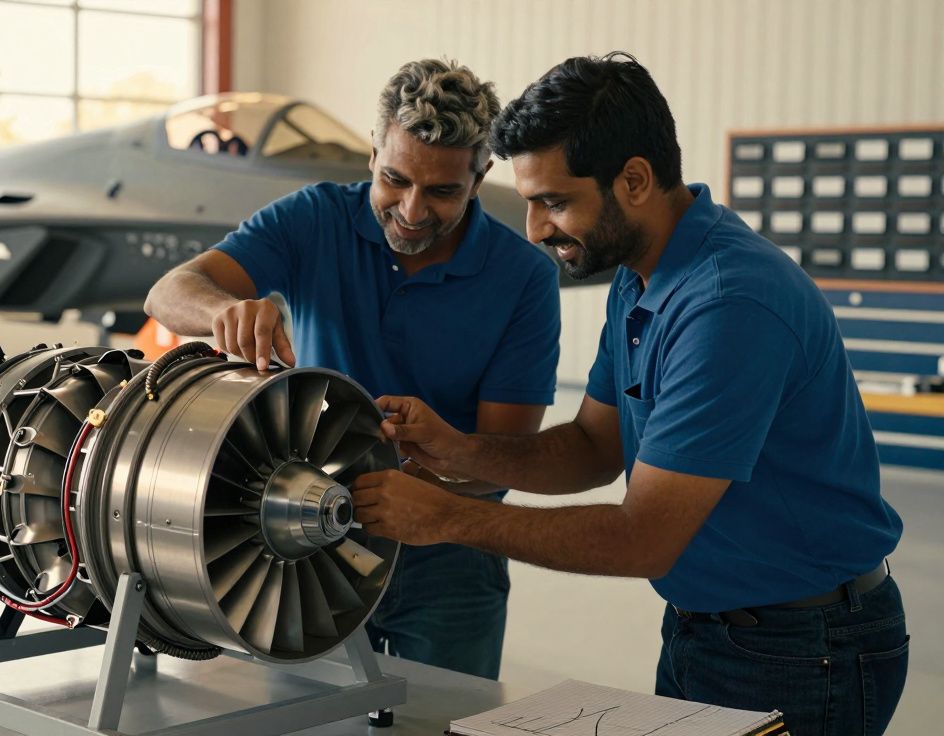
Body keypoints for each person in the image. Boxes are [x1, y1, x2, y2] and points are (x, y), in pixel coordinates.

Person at [351, 52, 908, 735]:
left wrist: (445, 518)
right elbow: (592, 447)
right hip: (706, 628)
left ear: (635, 180)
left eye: (554, 202)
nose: (533, 231)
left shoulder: (728, 304)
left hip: (803, 648)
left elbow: (643, 538)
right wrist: (458, 449)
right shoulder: (641, 275)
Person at [144, 59, 561, 678]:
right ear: (372, 154)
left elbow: (505, 456)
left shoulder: (524, 278)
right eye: (395, 179)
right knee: (306, 717)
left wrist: (433, 469)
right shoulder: (312, 219)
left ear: (481, 177)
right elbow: (169, 292)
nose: (413, 211)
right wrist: (225, 310)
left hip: (451, 552)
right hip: (300, 533)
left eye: (442, 191)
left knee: (445, 719)